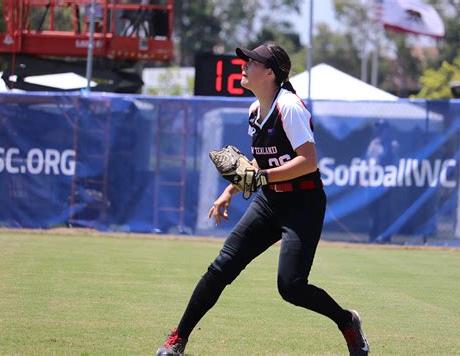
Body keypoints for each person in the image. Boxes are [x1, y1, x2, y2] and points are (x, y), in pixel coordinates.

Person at [156, 42, 370, 356]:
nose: (244, 66)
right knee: (221, 268)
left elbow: (308, 161)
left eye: (252, 62)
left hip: (303, 205)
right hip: (270, 202)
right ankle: (177, 340)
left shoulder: (289, 107)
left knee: (291, 286)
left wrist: (262, 179)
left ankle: (347, 321)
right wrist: (230, 190)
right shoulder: (255, 109)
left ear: (269, 73)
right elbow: (260, 162)